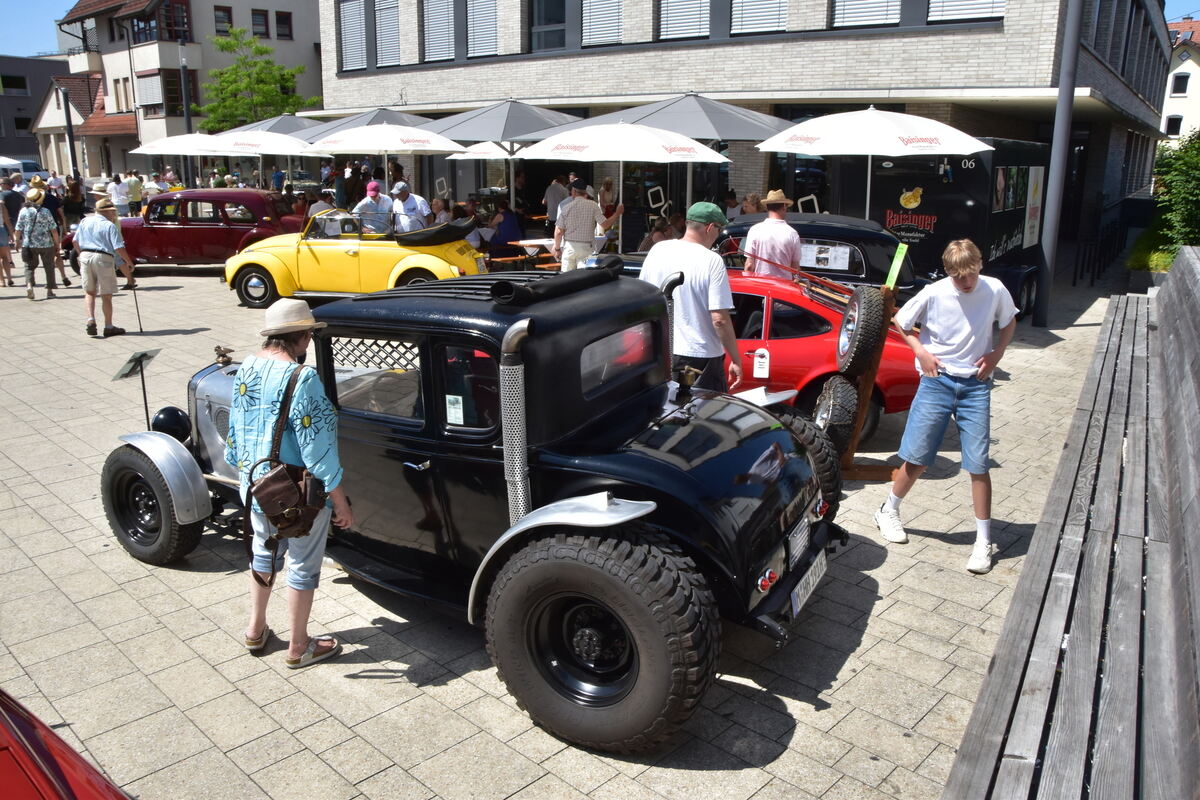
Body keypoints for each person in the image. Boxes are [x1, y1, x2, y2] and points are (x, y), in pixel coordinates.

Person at [874, 239, 1017, 575]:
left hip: (976, 386)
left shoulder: (995, 289)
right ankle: (888, 509)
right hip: (936, 381)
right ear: (948, 272)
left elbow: (1009, 321)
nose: (965, 282)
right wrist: (920, 352)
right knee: (918, 456)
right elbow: (901, 321)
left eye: (970, 274)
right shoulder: (935, 292)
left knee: (978, 463)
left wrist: (997, 353)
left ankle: (983, 540)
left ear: (980, 264)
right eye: (957, 276)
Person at [226, 298, 353, 669]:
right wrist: (340, 501)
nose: (309, 340)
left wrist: (244, 475)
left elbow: (235, 431)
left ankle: (255, 629)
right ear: (302, 336)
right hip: (295, 494)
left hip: (256, 484)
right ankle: (299, 646)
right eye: (309, 334)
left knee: (263, 552)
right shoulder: (303, 378)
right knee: (302, 564)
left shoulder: (247, 367)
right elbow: (319, 451)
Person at [638, 202, 743, 393]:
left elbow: (642, 297)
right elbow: (719, 319)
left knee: (662, 407)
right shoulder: (712, 260)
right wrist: (736, 359)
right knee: (703, 410)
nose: (718, 234)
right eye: (719, 229)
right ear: (710, 227)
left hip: (659, 350)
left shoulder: (658, 250)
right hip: (700, 356)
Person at [73, 198, 132, 338]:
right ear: (106, 212)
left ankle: (91, 320)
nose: (114, 214)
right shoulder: (109, 225)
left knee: (89, 292)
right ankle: (108, 326)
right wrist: (128, 261)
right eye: (112, 212)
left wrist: (81, 255)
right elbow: (118, 247)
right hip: (103, 257)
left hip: (85, 255)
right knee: (106, 295)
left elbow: (75, 241)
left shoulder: (85, 221)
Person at [551, 179, 622, 271]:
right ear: (585, 192)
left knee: (566, 277)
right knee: (584, 277)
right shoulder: (593, 206)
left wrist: (557, 249)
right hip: (586, 247)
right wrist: (617, 214)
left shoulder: (566, 208)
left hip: (570, 247)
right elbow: (605, 224)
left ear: (573, 191)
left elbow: (559, 231)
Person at [742, 189, 801, 280]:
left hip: (761, 284)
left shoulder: (755, 230)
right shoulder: (792, 234)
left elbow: (749, 265)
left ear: (767, 206)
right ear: (784, 206)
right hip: (784, 286)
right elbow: (795, 268)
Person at [15, 188, 61, 301]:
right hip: (46, 244)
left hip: (29, 244)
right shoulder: (45, 211)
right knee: (49, 267)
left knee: (29, 267)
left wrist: (17, 241)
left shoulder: (23, 211)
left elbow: (18, 228)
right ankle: (50, 291)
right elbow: (53, 230)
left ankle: (29, 286)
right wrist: (57, 244)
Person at [0, 197, 13, 287]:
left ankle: (2, 281)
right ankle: (9, 278)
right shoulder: (1, 204)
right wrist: (12, 234)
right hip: (1, 230)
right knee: (4, 256)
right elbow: (7, 221)